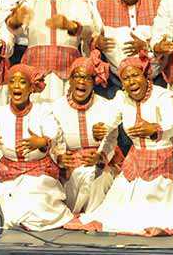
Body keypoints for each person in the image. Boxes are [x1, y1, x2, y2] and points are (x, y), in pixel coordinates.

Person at [65, 54, 173, 236]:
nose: (131, 82)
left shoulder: (162, 95)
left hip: (163, 164)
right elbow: (110, 121)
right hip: (135, 162)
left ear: (146, 76)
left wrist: (154, 129)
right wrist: (102, 128)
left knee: (155, 217)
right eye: (125, 78)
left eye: (135, 75)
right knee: (116, 215)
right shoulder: (122, 98)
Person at [0, 64, 71, 231]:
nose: (16, 86)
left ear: (31, 88)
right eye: (12, 81)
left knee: (33, 199)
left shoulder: (42, 110)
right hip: (8, 173)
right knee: (2, 204)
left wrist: (40, 142)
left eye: (22, 82)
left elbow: (53, 132)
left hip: (37, 172)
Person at [5, 0, 100, 103]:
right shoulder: (30, 3)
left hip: (67, 71)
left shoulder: (76, 1)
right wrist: (15, 20)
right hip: (36, 72)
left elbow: (89, 31)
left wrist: (69, 25)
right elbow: (14, 30)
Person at [51, 53, 122, 214]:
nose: (81, 82)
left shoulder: (106, 106)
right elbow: (53, 140)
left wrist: (101, 156)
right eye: (77, 77)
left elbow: (111, 139)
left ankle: (93, 217)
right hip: (67, 166)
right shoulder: (56, 107)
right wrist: (60, 157)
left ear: (94, 82)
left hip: (99, 162)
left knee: (98, 177)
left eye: (87, 78)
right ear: (70, 80)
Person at [91, 0, 166, 92]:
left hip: (156, 78)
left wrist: (146, 47)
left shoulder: (159, 0)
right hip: (116, 81)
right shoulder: (102, 4)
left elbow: (167, 40)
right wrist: (97, 42)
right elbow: (90, 37)